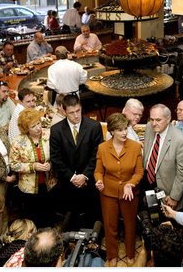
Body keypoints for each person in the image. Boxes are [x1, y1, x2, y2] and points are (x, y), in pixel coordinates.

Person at [94, 113, 143, 267]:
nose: (124, 133)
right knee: (110, 226)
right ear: (112, 131)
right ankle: (112, 254)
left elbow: (139, 172)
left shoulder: (135, 147)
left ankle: (130, 254)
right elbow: (98, 171)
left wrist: (130, 184)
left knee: (130, 225)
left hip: (130, 193)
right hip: (108, 193)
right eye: (120, 130)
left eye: (125, 129)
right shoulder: (102, 148)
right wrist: (99, 181)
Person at [50, 94, 103, 230]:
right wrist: (72, 177)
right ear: (63, 111)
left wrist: (84, 175)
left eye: (78, 111)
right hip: (67, 183)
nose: (76, 115)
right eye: (71, 113)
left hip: (89, 182)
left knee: (91, 217)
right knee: (70, 220)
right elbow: (56, 158)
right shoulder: (56, 130)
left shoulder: (94, 126)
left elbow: (96, 155)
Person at [9, 108, 56, 228]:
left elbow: (57, 154)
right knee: (32, 219)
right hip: (28, 189)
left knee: (48, 217)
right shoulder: (18, 142)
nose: (38, 128)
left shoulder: (49, 135)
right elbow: (13, 164)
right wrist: (32, 166)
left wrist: (51, 164)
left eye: (39, 123)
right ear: (26, 129)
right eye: (33, 126)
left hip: (48, 185)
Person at [141, 104, 183, 210]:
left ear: (168, 119)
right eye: (152, 119)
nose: (154, 124)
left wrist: (174, 197)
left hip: (166, 191)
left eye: (158, 120)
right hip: (146, 182)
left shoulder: (180, 139)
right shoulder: (149, 127)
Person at [0, 126, 16, 238]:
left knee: (7, 209)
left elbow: (10, 151)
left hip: (10, 176)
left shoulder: (0, 130)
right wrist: (5, 177)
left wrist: (13, 172)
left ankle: (5, 236)